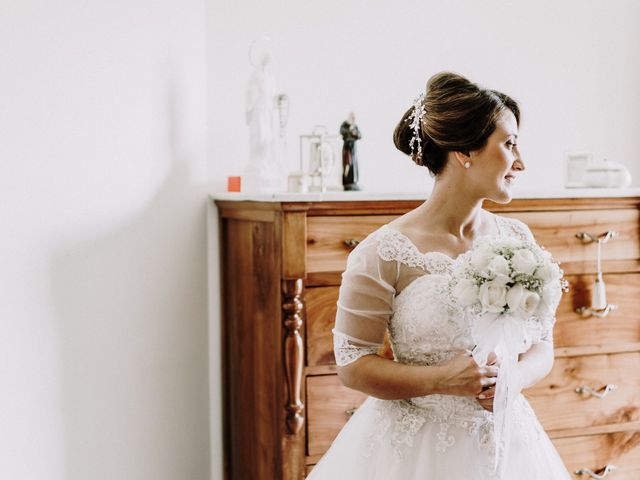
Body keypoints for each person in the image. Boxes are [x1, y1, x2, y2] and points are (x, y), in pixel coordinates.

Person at [307, 72, 571, 479]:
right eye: (509, 143)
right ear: (465, 150)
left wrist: (513, 378)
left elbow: (544, 347)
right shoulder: (383, 253)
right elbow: (353, 365)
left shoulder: (517, 237)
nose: (521, 162)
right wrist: (441, 379)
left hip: (506, 443)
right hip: (414, 453)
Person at [340, 112, 362, 191]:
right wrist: (350, 131)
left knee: (353, 166)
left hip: (353, 148)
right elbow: (342, 131)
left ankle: (353, 181)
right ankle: (346, 181)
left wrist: (353, 132)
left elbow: (359, 135)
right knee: (347, 164)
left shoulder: (355, 126)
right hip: (347, 147)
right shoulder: (345, 125)